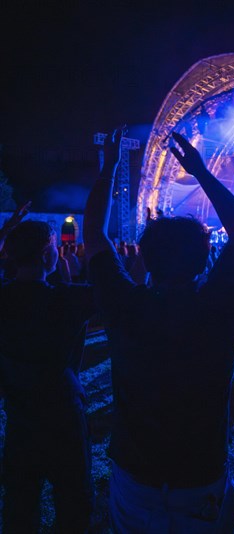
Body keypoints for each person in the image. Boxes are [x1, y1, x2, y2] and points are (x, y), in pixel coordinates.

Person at [83, 129, 234, 533]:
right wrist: (201, 173)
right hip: (200, 473)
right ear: (202, 261)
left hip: (135, 472)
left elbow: (93, 234)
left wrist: (108, 167)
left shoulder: (125, 305)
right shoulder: (218, 308)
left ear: (145, 257)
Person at [0, 219, 95, 533]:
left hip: (19, 413)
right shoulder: (70, 299)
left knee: (20, 501)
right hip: (63, 413)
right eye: (55, 247)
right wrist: (67, 286)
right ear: (46, 255)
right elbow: (122, 286)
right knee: (73, 501)